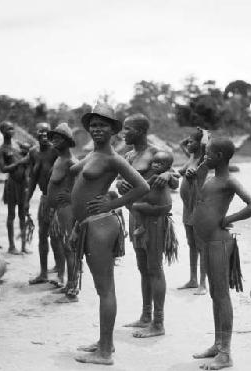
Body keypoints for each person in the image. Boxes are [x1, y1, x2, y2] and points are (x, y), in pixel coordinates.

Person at [72, 103, 149, 365]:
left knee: (105, 290)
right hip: (90, 224)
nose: (97, 129)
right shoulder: (93, 155)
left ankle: (105, 353)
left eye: (103, 125)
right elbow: (75, 173)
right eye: (93, 125)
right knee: (102, 288)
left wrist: (111, 203)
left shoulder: (113, 158)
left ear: (113, 130)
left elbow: (143, 186)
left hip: (101, 224)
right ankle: (106, 342)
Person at [191, 138, 251, 370]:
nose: (205, 157)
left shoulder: (229, 180)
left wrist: (228, 219)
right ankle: (217, 343)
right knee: (214, 294)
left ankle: (225, 353)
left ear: (220, 156)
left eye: (208, 154)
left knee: (221, 296)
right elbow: (198, 202)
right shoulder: (210, 179)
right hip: (209, 242)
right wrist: (197, 174)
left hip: (220, 243)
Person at [117, 113, 179, 338]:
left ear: (141, 131)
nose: (124, 133)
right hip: (136, 215)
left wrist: (166, 174)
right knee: (143, 269)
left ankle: (158, 323)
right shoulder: (128, 155)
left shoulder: (156, 153)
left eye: (128, 129)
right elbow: (119, 178)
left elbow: (175, 179)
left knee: (154, 268)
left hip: (154, 219)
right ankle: (145, 316)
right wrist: (120, 183)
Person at [45, 122, 79, 302]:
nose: (54, 141)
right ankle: (69, 283)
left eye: (58, 138)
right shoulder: (59, 159)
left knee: (69, 247)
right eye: (53, 138)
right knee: (64, 246)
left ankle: (73, 288)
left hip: (67, 209)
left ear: (67, 141)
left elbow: (83, 183)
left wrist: (71, 197)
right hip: (59, 209)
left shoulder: (71, 161)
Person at [27, 122, 63, 285]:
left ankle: (61, 274)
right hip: (44, 198)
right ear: (35, 133)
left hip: (57, 199)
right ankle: (43, 273)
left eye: (46, 132)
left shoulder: (57, 151)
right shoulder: (33, 152)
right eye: (40, 131)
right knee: (42, 236)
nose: (43, 135)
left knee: (57, 237)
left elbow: (66, 176)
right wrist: (26, 201)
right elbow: (33, 179)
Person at [177, 128, 209, 295]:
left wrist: (203, 135)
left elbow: (205, 144)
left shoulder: (203, 159)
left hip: (198, 206)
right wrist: (190, 141)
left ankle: (203, 283)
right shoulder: (191, 157)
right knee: (191, 244)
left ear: (200, 144)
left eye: (191, 141)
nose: (187, 144)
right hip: (187, 207)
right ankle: (192, 279)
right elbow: (181, 144)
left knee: (201, 246)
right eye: (188, 141)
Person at [0, 121, 32, 255]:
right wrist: (19, 163)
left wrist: (26, 155)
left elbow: (30, 157)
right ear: (2, 131)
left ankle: (23, 246)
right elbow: (3, 169)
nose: (11, 131)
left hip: (23, 183)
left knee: (23, 215)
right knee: (11, 215)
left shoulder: (19, 146)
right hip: (11, 184)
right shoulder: (2, 149)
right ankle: (12, 246)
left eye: (12, 128)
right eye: (8, 129)